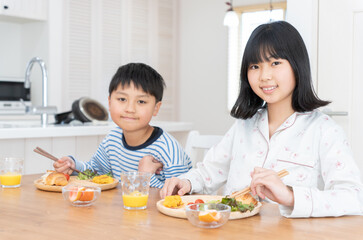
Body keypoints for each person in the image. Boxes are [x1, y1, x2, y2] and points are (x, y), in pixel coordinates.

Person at [160, 21, 363, 217]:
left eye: (275, 63)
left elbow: (353, 198)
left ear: (297, 65)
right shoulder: (244, 125)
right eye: (255, 66)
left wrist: (291, 196)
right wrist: (187, 182)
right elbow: (210, 171)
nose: (264, 76)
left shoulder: (324, 130)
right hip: (235, 232)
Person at [54, 63, 192, 188]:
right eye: (122, 99)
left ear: (156, 108)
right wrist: (73, 166)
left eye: (141, 102)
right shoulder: (112, 140)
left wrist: (145, 176)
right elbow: (95, 173)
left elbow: (179, 195)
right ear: (109, 102)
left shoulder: (168, 150)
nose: (130, 109)